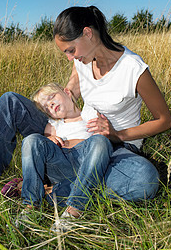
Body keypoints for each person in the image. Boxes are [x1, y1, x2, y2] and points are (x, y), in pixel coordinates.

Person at [0, 6, 171, 229]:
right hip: (76, 139)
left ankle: (49, 188)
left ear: (88, 33)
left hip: (117, 148)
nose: (70, 58)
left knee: (145, 179)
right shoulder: (82, 60)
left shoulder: (133, 68)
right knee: (11, 102)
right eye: (66, 52)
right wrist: (54, 128)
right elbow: (69, 95)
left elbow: (164, 120)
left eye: (70, 50)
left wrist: (116, 134)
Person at [14, 82, 112, 232]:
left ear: (67, 92)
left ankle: (75, 209)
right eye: (46, 107)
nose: (51, 105)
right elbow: (43, 148)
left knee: (100, 141)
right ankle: (31, 206)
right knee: (31, 140)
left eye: (52, 97)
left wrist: (75, 141)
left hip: (86, 161)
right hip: (62, 162)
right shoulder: (53, 125)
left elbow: (101, 136)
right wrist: (50, 140)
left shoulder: (89, 112)